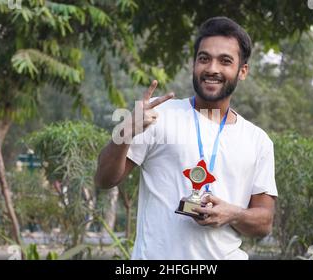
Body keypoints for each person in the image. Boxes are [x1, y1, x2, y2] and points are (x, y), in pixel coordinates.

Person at [95, 16, 277, 260]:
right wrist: (124, 133)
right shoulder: (158, 117)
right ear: (194, 64)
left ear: (242, 71)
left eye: (225, 61)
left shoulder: (258, 140)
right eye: (204, 59)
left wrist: (233, 214)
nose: (212, 69)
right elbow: (104, 179)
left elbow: (264, 221)